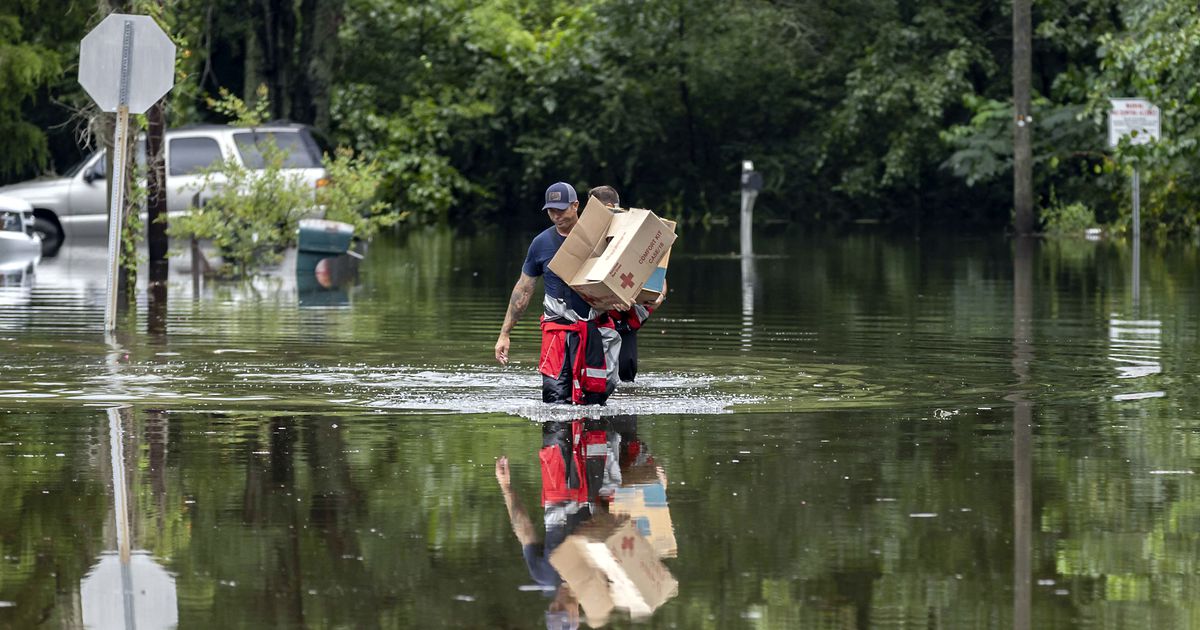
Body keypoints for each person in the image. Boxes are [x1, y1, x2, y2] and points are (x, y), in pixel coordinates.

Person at [495, 182, 622, 404]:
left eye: (561, 209)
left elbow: (624, 273)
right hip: (558, 332)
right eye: (551, 211)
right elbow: (523, 289)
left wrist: (621, 297)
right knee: (554, 400)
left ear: (575, 206)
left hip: (595, 329)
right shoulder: (541, 243)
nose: (556, 216)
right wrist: (505, 333)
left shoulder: (601, 237)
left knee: (596, 397)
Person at [586, 186, 668, 382]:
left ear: (608, 206)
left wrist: (659, 297)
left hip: (626, 318)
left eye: (591, 208)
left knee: (625, 376)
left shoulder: (632, 233)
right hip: (596, 318)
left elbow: (659, 276)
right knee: (595, 378)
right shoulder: (585, 237)